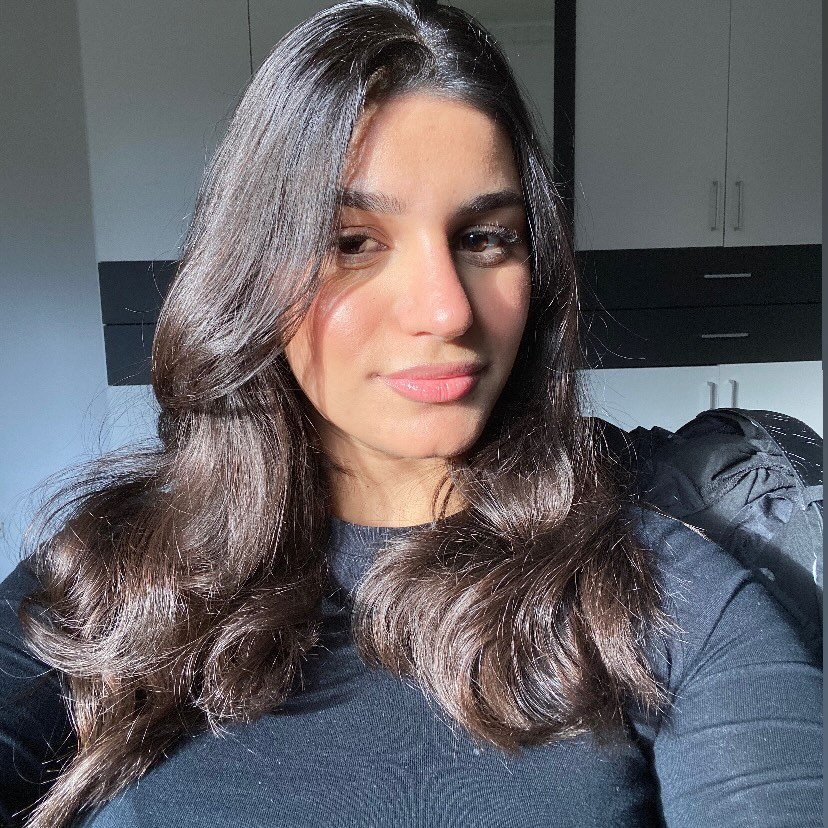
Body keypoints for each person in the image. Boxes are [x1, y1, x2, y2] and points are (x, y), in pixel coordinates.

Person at [0, 1, 821, 826]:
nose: (447, 311)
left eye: (485, 238)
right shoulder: (111, 574)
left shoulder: (664, 596)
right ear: (252, 271)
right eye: (352, 242)